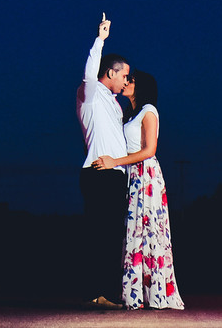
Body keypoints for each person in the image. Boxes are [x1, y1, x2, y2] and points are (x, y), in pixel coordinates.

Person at [93, 69, 185, 309]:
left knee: (150, 230)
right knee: (135, 231)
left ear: (140, 85)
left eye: (130, 80)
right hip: (133, 175)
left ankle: (156, 293)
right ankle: (135, 293)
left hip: (147, 174)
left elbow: (149, 150)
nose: (125, 83)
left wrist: (114, 162)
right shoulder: (130, 113)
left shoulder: (149, 111)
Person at [76, 13, 131, 308]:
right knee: (98, 236)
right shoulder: (92, 94)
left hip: (116, 174)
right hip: (98, 172)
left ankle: (105, 294)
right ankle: (92, 294)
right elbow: (88, 74)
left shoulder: (114, 103)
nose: (126, 81)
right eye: (124, 76)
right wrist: (100, 40)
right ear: (110, 73)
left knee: (111, 238)